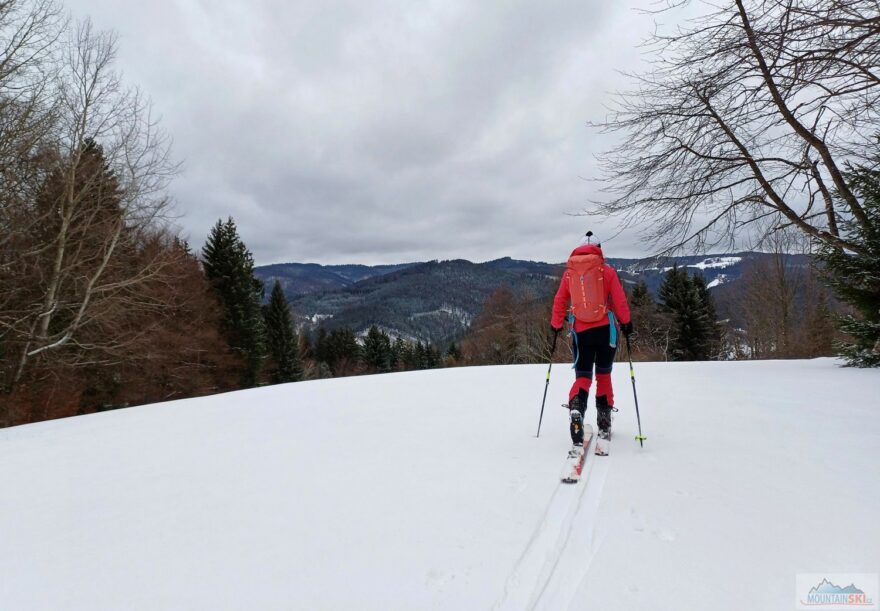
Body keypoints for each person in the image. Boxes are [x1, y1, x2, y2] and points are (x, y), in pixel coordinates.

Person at [551, 233, 632, 446]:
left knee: (583, 376)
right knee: (603, 376)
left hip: (581, 333)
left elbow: (560, 300)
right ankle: (604, 420)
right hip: (606, 331)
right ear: (598, 249)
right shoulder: (607, 271)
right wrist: (626, 322)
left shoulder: (569, 274)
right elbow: (620, 299)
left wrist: (556, 324)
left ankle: (577, 407)